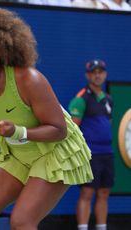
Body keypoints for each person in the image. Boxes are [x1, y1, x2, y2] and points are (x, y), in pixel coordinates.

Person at [0, 8, 93, 230]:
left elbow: (59, 130)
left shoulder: (29, 80)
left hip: (55, 152)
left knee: (22, 221)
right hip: (18, 154)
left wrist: (18, 132)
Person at [68, 60, 114, 230]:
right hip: (90, 154)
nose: (97, 75)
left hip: (107, 154)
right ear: (88, 75)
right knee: (87, 192)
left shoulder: (108, 99)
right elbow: (72, 130)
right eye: (94, 72)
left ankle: (102, 227)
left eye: (101, 71)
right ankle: (82, 227)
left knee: (104, 192)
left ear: (105, 74)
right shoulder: (81, 99)